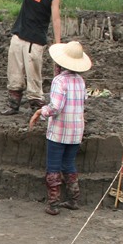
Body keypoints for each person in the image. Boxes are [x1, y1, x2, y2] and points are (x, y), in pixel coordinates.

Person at [0, 0, 62, 117]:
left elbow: (56, 19)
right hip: (19, 36)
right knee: (14, 73)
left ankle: (37, 107)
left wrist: (58, 44)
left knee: (34, 76)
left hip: (35, 41)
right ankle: (13, 105)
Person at [28, 40, 92, 215]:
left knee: (54, 166)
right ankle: (73, 199)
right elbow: (83, 102)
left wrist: (41, 111)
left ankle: (53, 204)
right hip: (76, 131)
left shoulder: (59, 81)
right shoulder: (80, 81)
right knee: (69, 164)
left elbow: (56, 107)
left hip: (59, 131)